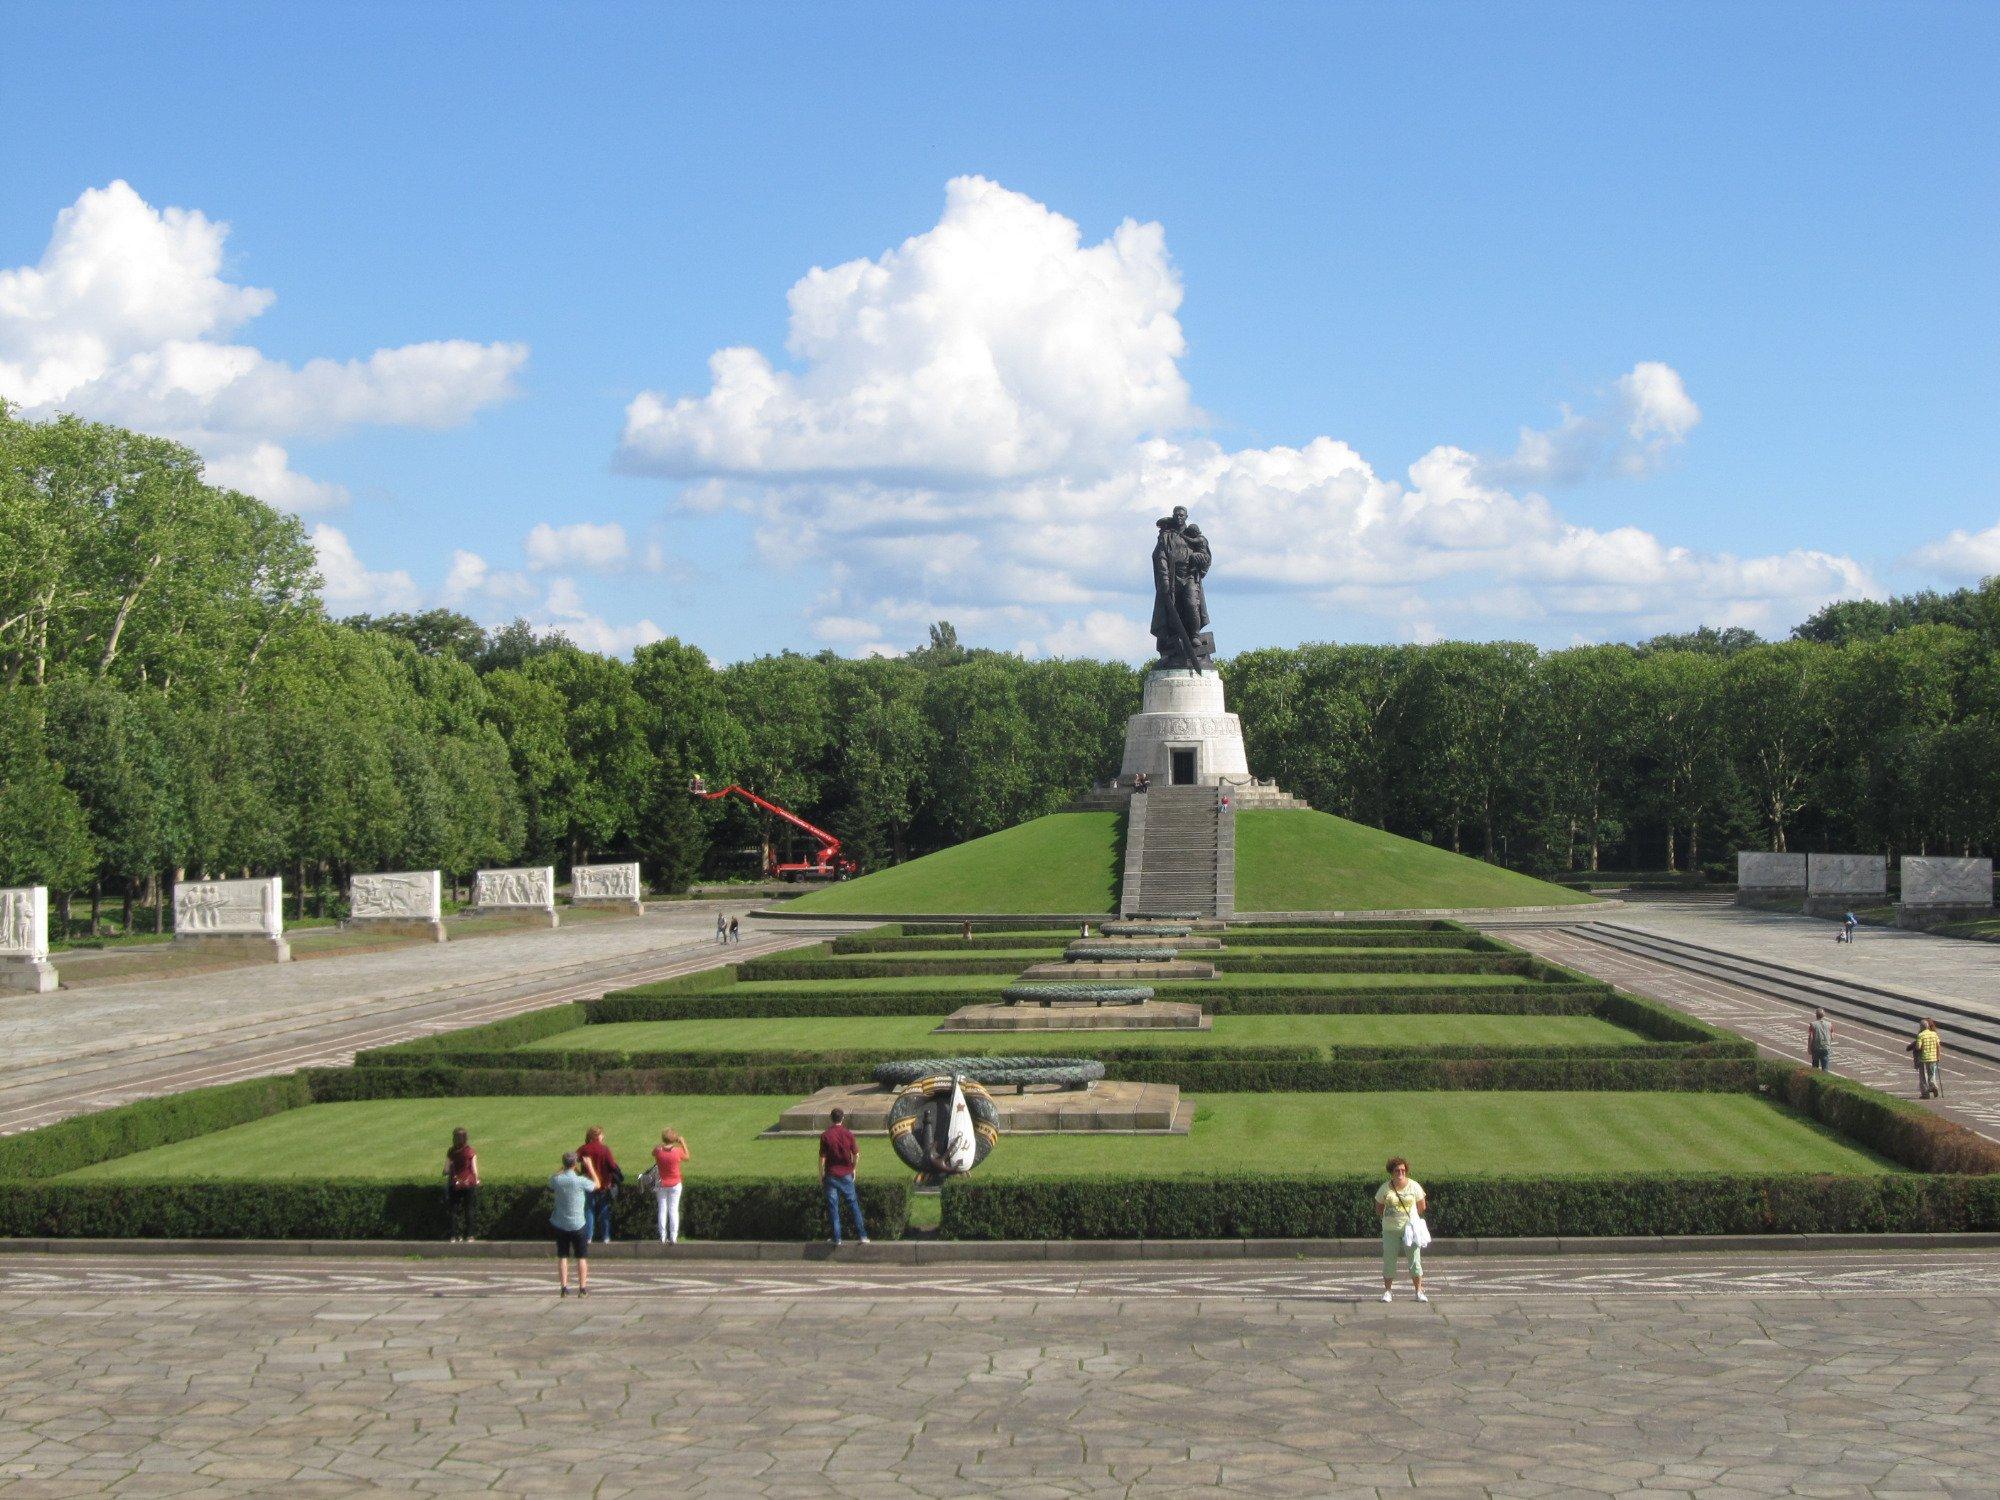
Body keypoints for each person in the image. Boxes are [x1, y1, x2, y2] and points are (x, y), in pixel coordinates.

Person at [1375, 1156, 1428, 1303]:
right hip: (1390, 1231)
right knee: (1389, 1261)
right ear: (1391, 1172)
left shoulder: (1414, 1186)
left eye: (1403, 1170)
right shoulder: (1385, 1188)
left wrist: (1411, 1219)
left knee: (1415, 1261)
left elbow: (1422, 1206)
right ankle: (1387, 1291)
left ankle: (1418, 1291)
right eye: (1397, 1170)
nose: (1401, 1173)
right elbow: (1379, 1208)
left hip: (1410, 1231)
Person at [819, 1107, 869, 1246]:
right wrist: (853, 1168)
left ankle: (837, 1238)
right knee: (853, 1205)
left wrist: (821, 1174)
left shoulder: (825, 1135)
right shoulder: (848, 1134)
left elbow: (822, 1158)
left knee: (833, 1207)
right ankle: (862, 1236)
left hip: (831, 1174)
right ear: (843, 1118)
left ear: (831, 1118)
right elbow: (856, 1155)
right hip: (846, 1174)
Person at [550, 1151, 591, 1297]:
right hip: (578, 1223)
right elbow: (596, 1184)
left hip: (561, 1223)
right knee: (581, 1257)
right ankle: (582, 1288)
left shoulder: (557, 1180)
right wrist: (590, 1167)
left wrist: (563, 1169)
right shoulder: (580, 1181)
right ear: (575, 1164)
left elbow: (552, 1180)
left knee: (563, 1256)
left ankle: (564, 1288)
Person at [577, 1126, 619, 1243]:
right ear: (598, 1136)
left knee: (589, 1210)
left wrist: (581, 1174)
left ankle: (588, 1237)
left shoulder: (584, 1149)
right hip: (604, 1184)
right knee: (604, 1210)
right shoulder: (605, 1149)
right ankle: (605, 1236)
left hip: (588, 1183)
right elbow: (612, 1166)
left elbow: (573, 1161)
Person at [652, 1127, 690, 1244]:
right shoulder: (677, 1151)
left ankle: (662, 1237)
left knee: (662, 1210)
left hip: (662, 1183)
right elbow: (687, 1157)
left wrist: (661, 1145)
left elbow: (653, 1152)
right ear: (674, 1139)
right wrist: (683, 1143)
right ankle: (673, 1237)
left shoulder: (659, 1151)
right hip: (675, 1183)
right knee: (673, 1210)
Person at [444, 1126, 479, 1242]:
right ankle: (470, 1235)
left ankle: (454, 1236)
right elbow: (474, 1169)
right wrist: (477, 1179)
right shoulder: (470, 1151)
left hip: (455, 1183)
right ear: (466, 1138)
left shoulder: (451, 1151)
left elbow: (446, 1169)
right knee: (469, 1209)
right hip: (469, 1184)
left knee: (454, 1210)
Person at [1910, 1019, 1942, 1098]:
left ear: (1921, 1027)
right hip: (1933, 1057)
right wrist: (1938, 1056)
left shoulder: (1921, 1035)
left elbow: (1918, 1047)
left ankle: (1925, 1093)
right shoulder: (1934, 1034)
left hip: (1923, 1057)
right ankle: (1933, 1086)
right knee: (1931, 1074)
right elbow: (1938, 1045)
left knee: (1922, 1076)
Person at [1807, 1009, 1833, 1073]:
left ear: (1816, 1015)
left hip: (1816, 1047)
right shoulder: (1829, 1024)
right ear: (1824, 1015)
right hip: (1826, 1047)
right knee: (1825, 1067)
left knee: (1815, 1067)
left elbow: (1811, 1037)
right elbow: (1832, 1037)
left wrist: (1809, 1048)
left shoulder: (1813, 1024)